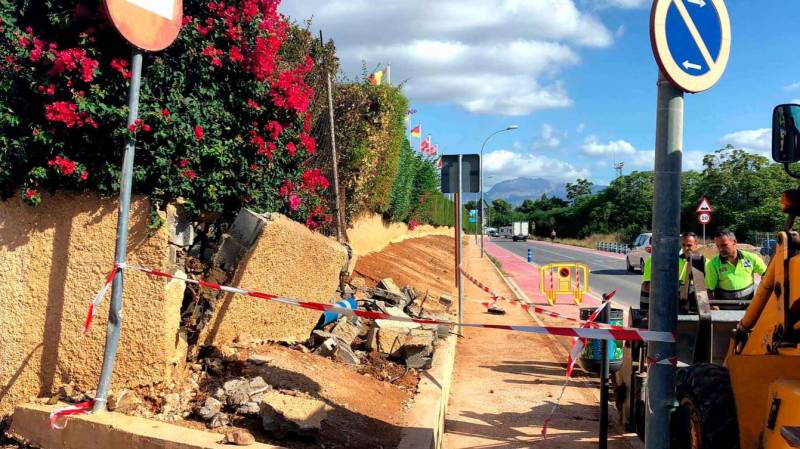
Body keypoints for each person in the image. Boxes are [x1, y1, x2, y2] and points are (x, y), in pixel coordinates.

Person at [640, 232, 705, 311]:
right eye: (683, 245)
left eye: (689, 245)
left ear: (696, 244)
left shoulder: (704, 262)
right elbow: (647, 286)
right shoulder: (653, 260)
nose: (685, 248)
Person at [705, 229, 767, 306]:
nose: (721, 249)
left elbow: (767, 274)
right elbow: (709, 291)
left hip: (748, 308)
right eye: (718, 246)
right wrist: (713, 306)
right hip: (724, 310)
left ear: (734, 242)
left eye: (724, 245)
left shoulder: (751, 258)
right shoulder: (713, 264)